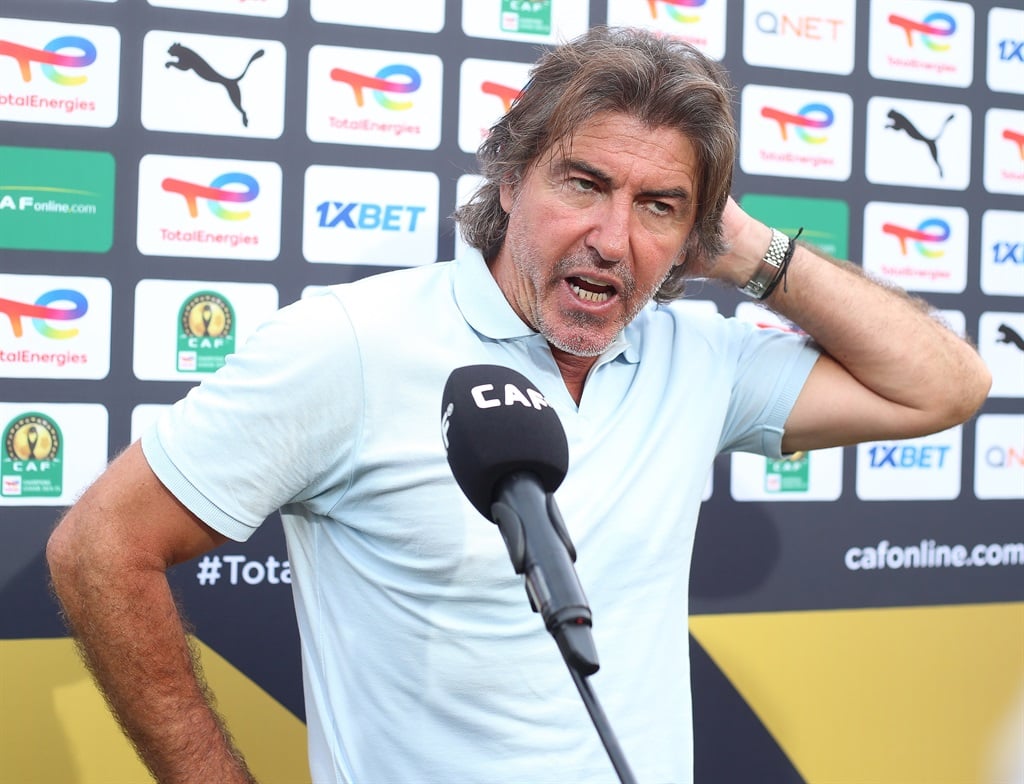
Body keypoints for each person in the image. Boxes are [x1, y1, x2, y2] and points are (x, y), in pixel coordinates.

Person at [46, 26, 990, 784]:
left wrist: (745, 247)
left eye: (660, 206)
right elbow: (100, 548)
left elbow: (947, 386)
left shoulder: (697, 358)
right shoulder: (351, 344)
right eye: (584, 184)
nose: (612, 238)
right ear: (510, 179)